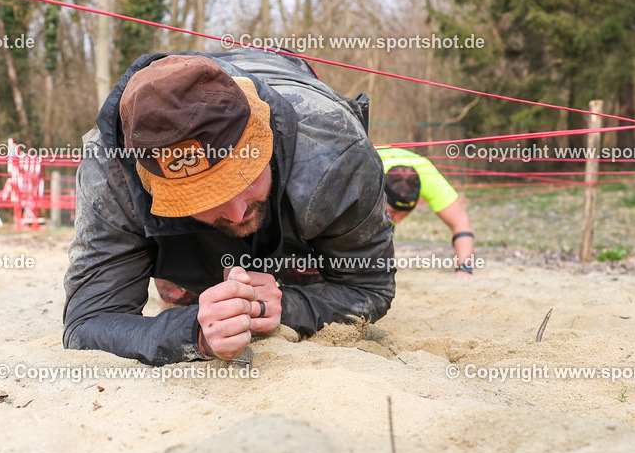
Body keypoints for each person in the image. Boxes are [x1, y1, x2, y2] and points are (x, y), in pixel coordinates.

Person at [63, 49, 395, 365]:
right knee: (181, 294)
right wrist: (194, 332)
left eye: (245, 178)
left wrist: (289, 307)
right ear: (152, 185)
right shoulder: (111, 174)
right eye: (202, 197)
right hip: (186, 235)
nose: (237, 213)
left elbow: (370, 287)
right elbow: (87, 322)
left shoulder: (337, 151)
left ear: (264, 137)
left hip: (291, 95)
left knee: (306, 275)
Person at [378, 147, 475, 278]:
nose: (398, 219)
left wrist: (464, 268)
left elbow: (461, 223)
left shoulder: (428, 177)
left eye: (405, 213)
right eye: (394, 212)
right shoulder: (367, 173)